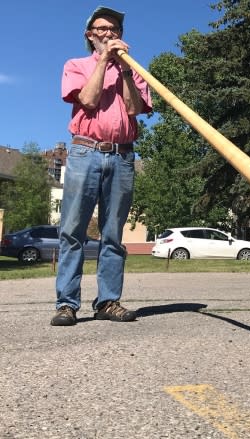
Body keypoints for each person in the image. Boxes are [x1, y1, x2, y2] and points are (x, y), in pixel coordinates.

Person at [51, 6, 152, 326]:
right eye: (102, 28)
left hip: (122, 156)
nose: (109, 33)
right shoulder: (76, 65)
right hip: (85, 153)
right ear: (90, 35)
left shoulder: (134, 71)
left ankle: (108, 301)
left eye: (114, 29)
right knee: (72, 231)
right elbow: (90, 100)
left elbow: (135, 109)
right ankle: (67, 303)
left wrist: (123, 69)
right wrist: (105, 60)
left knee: (113, 234)